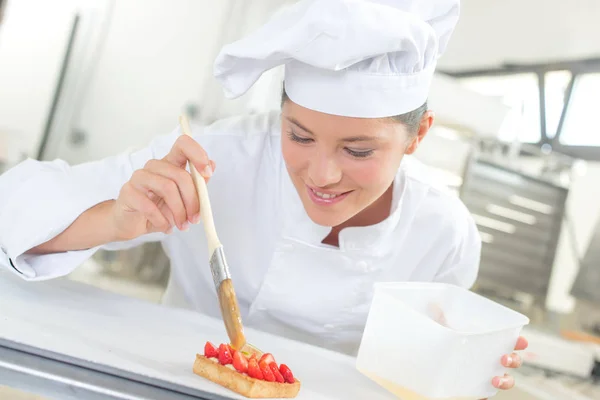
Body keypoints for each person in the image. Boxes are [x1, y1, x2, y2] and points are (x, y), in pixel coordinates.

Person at [0, 0, 527, 393]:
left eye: (358, 150)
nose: (322, 174)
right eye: (298, 135)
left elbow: (419, 372)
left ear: (419, 134)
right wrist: (112, 220)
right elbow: (14, 208)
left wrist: (464, 363)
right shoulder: (214, 156)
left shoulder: (444, 234)